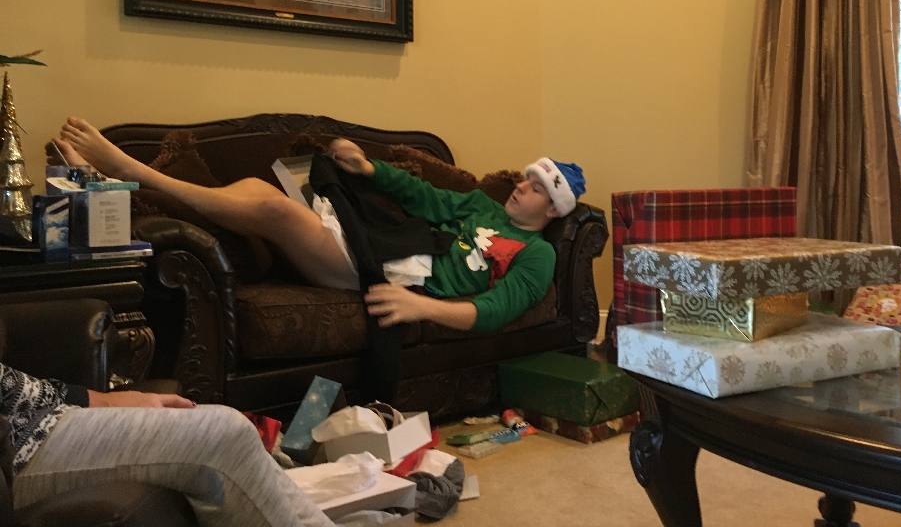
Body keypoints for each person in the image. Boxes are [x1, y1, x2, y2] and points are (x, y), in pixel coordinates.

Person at [52, 117, 587, 334]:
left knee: (276, 211)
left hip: (397, 275)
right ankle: (124, 182)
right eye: (526, 178)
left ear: (553, 210)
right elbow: (423, 196)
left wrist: (421, 307)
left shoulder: (539, 255)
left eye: (537, 187)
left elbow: (495, 310)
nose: (522, 186)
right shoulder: (480, 206)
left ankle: (130, 172)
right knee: (259, 190)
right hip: (379, 245)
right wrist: (368, 168)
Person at [4, 353, 355, 527]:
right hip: (13, 451)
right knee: (221, 435)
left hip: (33, 418)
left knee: (228, 426)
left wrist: (101, 400)